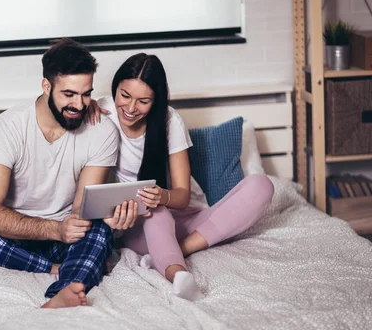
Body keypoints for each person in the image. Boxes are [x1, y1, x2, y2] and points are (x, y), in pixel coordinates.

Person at [0, 39, 138, 309]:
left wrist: (89, 223)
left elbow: (81, 208)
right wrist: (54, 229)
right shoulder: (7, 128)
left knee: (98, 230)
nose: (79, 104)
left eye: (86, 94)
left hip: (65, 236)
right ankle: (52, 268)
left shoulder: (101, 132)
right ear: (46, 86)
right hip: (10, 234)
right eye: (69, 95)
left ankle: (66, 289)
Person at [90, 53, 274, 300]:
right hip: (138, 223)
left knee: (261, 185)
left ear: (156, 101)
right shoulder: (100, 112)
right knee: (157, 212)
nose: (131, 108)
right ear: (115, 88)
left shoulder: (169, 121)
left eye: (143, 101)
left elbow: (182, 196)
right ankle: (178, 274)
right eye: (125, 95)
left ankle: (175, 251)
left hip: (186, 220)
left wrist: (163, 195)